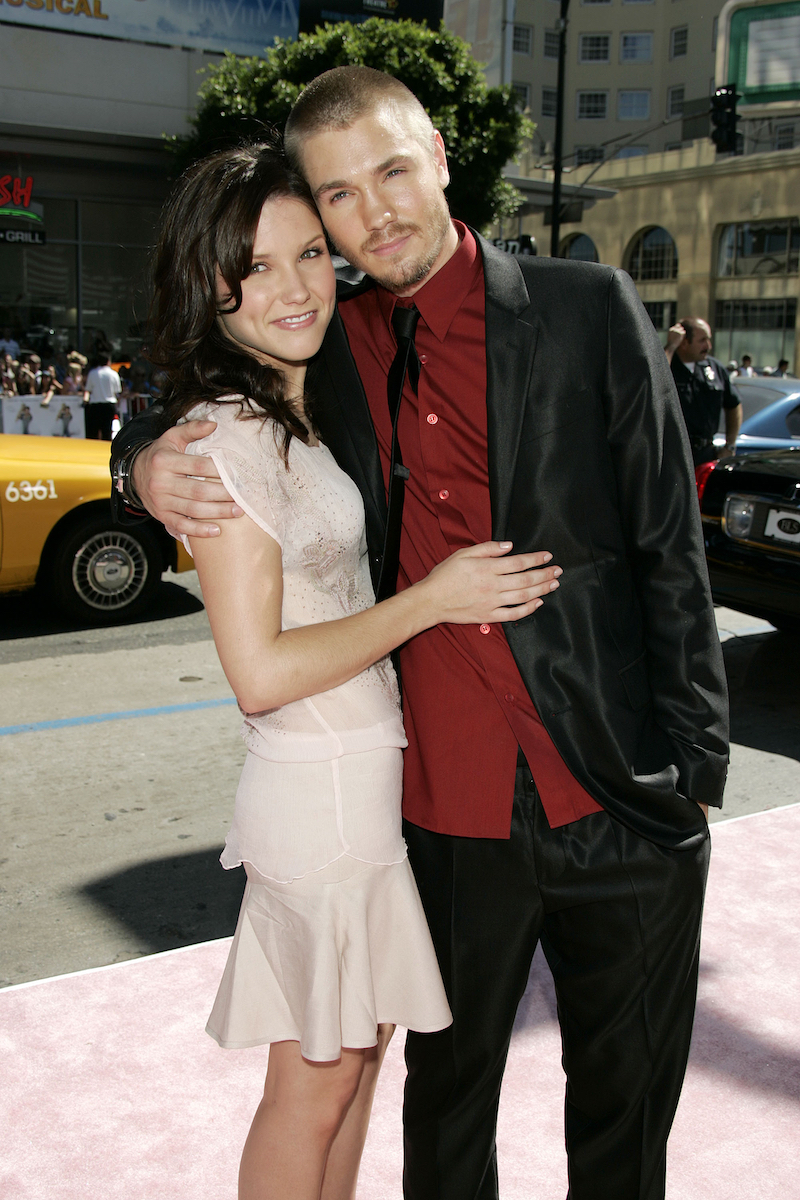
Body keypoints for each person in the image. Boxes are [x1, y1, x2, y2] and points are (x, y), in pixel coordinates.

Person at [112, 68, 729, 1200]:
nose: (374, 211)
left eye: (391, 171)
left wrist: (691, 771)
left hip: (614, 792)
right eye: (339, 195)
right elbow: (218, 385)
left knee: (623, 1119)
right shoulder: (330, 341)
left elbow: (665, 545)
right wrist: (140, 461)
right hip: (438, 815)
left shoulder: (585, 307)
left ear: (439, 155)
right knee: (442, 1118)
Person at [141, 141, 559, 1200]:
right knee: (313, 1089)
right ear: (213, 287)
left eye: (308, 256)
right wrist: (432, 600)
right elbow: (259, 672)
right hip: (315, 797)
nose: (294, 288)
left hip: (357, 792)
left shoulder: (297, 410)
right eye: (259, 266)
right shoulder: (224, 441)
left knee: (353, 1072)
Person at [665, 317, 743, 464]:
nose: (708, 346)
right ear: (684, 342)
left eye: (708, 339)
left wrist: (730, 445)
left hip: (706, 455)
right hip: (673, 455)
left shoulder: (714, 368)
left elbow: (733, 404)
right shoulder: (668, 364)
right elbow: (654, 379)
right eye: (702, 340)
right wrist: (670, 346)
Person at [82, 353, 121, 440]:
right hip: (109, 405)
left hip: (95, 405)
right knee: (106, 431)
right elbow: (117, 391)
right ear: (108, 361)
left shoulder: (93, 373)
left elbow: (88, 389)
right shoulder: (114, 374)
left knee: (93, 432)